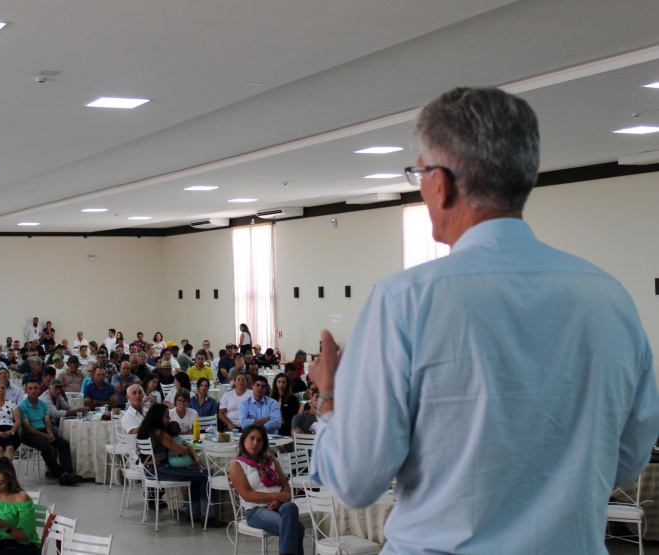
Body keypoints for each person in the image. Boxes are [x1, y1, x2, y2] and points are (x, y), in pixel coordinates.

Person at [308, 87, 659, 554]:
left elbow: (355, 482)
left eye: (419, 171)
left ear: (443, 182)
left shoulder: (406, 300)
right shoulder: (609, 297)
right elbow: (628, 457)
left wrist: (329, 400)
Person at [229, 424, 304, 555]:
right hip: (256, 510)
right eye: (251, 438)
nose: (255, 443)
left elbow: (285, 485)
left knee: (290, 507)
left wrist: (280, 501)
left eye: (259, 440)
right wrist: (278, 496)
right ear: (243, 440)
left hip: (279, 506)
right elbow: (247, 496)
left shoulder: (271, 460)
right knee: (297, 528)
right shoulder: (237, 465)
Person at [136, 404, 208, 519]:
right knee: (206, 474)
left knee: (197, 475)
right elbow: (182, 451)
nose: (169, 419)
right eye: (167, 416)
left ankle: (194, 512)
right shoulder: (160, 434)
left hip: (149, 471)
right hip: (161, 470)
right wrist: (187, 447)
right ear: (159, 417)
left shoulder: (145, 431)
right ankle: (207, 516)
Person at [18, 379, 80, 484]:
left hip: (42, 431)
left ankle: (68, 472)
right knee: (45, 446)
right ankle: (59, 473)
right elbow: (27, 427)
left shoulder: (43, 404)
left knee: (63, 443)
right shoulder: (22, 406)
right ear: (26, 390)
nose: (33, 391)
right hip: (28, 434)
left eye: (35, 388)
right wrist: (45, 436)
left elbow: (47, 422)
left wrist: (50, 434)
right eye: (30, 388)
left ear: (39, 389)